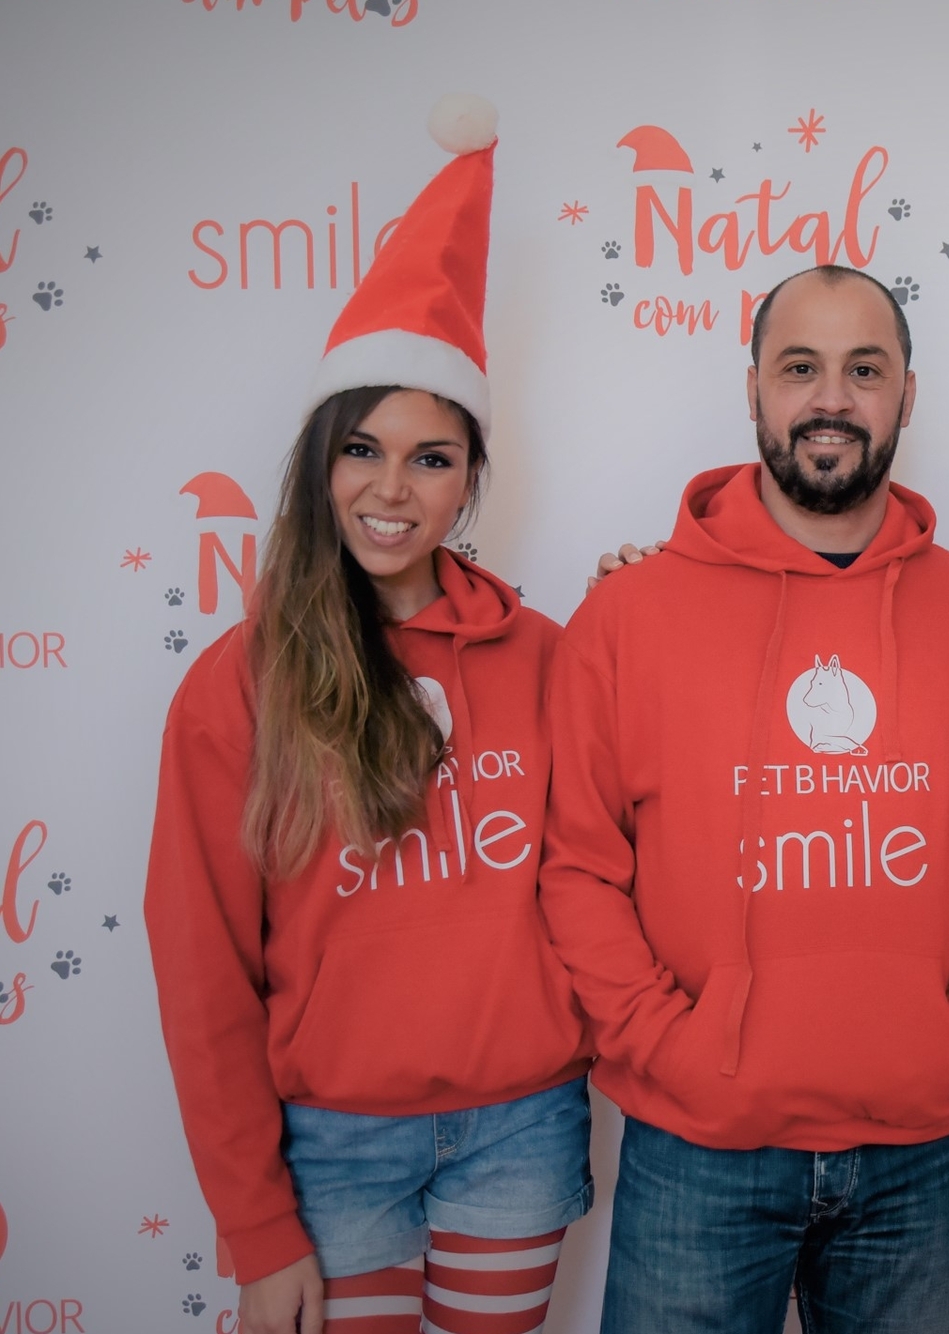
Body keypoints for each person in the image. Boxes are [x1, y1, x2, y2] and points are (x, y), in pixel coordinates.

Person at [145, 97, 592, 1334]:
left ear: (470, 480)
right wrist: (256, 1223)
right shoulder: (240, 682)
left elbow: (612, 867)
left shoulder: (546, 656)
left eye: (431, 457)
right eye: (362, 449)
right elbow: (202, 967)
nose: (392, 489)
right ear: (319, 462)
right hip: (332, 1146)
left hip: (521, 1128)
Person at [542, 263, 949, 1333]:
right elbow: (578, 865)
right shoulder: (629, 615)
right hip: (699, 1146)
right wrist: (669, 1046)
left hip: (917, 1148)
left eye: (865, 369)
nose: (831, 398)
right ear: (753, 388)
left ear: (907, 393)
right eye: (799, 367)